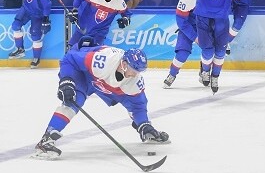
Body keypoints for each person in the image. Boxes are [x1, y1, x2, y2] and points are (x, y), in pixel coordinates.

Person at [33, 46, 168, 160]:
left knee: (135, 107)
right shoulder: (104, 61)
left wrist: (143, 124)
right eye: (134, 70)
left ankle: (145, 129)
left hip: (106, 84)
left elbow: (138, 105)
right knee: (73, 101)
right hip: (85, 75)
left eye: (139, 71)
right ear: (124, 64)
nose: (135, 74)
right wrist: (66, 80)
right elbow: (70, 58)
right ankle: (45, 140)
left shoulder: (134, 81)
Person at [0, 0, 51, 68]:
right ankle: (20, 49)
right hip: (26, 8)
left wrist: (46, 18)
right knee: (15, 25)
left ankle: (36, 58)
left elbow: (46, 4)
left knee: (35, 36)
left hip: (37, 13)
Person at [66, 0, 131, 48]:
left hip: (99, 33)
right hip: (82, 27)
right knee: (72, 49)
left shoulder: (119, 1)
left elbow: (126, 12)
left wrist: (126, 19)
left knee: (94, 53)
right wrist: (75, 10)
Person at [163, 0, 202, 87]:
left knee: (210, 51)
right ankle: (172, 74)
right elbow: (182, 22)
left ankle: (205, 72)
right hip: (188, 27)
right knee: (182, 53)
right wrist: (195, 37)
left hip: (205, 27)